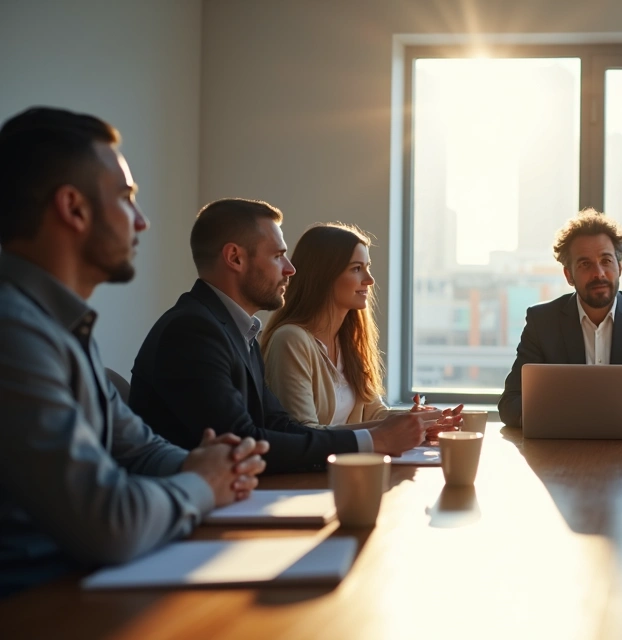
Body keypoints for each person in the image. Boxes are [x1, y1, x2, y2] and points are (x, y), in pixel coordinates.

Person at [0, 107, 269, 596]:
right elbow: (108, 521)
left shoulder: (59, 327)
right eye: (126, 198)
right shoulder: (12, 332)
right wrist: (203, 483)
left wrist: (211, 462)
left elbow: (140, 449)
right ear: (74, 209)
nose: (142, 222)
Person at [128, 199, 455, 474]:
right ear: (235, 258)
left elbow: (280, 427)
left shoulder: (238, 331)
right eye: (277, 256)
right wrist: (376, 440)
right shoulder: (193, 332)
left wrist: (403, 429)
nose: (290, 269)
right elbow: (245, 444)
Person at [498, 208, 622, 428]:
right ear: (569, 275)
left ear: (619, 267)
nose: (599, 273)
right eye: (585, 264)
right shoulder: (542, 322)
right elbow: (510, 402)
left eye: (606, 261)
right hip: (560, 452)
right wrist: (550, 418)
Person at [261, 223, 459, 427]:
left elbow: (375, 414)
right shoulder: (290, 340)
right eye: (356, 268)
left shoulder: (349, 340)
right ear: (323, 275)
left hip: (352, 459)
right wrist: (395, 428)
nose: (370, 280)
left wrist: (422, 420)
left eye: (367, 267)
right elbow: (305, 433)